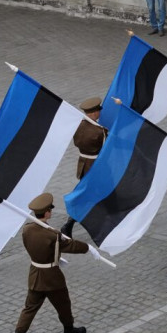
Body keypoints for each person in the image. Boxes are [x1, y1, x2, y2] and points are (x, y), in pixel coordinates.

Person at [5, 193, 89, 333]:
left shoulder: (27, 229)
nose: (51, 211)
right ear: (46, 213)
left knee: (29, 310)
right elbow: (70, 246)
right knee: (63, 304)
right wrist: (88, 248)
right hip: (52, 278)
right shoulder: (52, 235)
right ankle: (69, 332)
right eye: (50, 209)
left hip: (35, 275)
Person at [61, 97, 107, 238]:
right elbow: (106, 150)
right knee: (91, 196)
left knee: (91, 194)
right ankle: (69, 223)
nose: (100, 113)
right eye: (98, 110)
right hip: (96, 167)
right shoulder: (100, 131)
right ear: (93, 113)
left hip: (83, 164)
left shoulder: (79, 125)